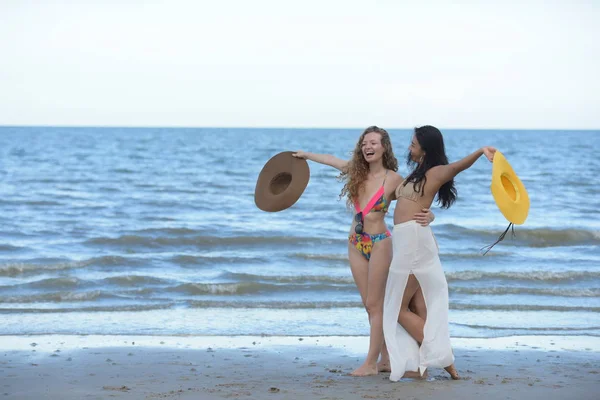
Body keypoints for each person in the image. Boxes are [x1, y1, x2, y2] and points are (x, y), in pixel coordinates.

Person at [293, 126, 435, 376]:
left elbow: (417, 198)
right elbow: (330, 160)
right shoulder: (355, 172)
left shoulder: (394, 179)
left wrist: (430, 215)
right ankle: (385, 359)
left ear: (383, 147)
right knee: (369, 306)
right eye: (364, 143)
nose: (367, 147)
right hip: (355, 243)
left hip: (380, 242)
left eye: (373, 143)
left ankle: (370, 363)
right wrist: (306, 155)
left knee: (375, 303)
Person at [382, 125, 496, 381]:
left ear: (426, 147)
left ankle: (443, 356)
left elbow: (456, 167)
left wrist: (480, 152)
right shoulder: (416, 174)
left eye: (413, 143)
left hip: (413, 242)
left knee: (397, 309)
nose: (409, 147)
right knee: (419, 306)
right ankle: (448, 368)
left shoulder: (434, 172)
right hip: (407, 240)